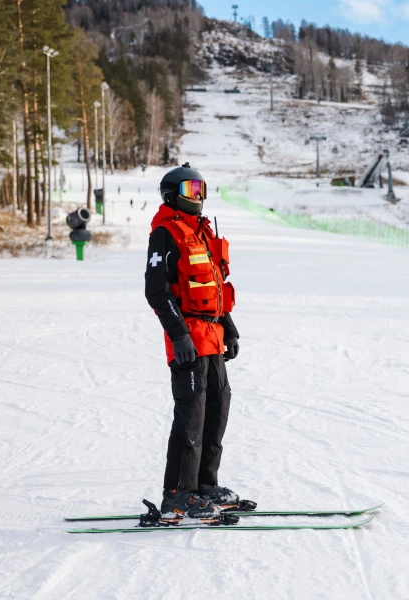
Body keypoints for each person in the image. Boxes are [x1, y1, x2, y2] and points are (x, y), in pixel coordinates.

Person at [145, 162, 241, 519]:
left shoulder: (201, 233)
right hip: (188, 339)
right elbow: (157, 291)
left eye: (201, 190)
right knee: (192, 415)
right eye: (190, 190)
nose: (197, 197)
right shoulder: (166, 233)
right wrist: (179, 334)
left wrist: (228, 326)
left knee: (217, 410)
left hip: (212, 336)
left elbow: (212, 288)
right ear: (172, 195)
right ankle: (178, 493)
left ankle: (204, 485)